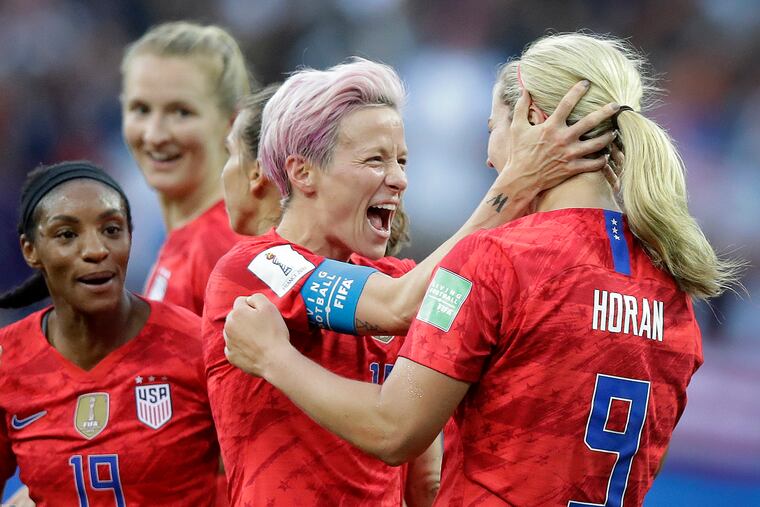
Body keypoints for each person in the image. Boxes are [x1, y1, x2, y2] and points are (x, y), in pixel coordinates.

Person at [222, 33, 743, 506]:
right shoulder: (673, 285)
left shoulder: (494, 259)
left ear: (534, 121)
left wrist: (272, 357)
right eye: (377, 160)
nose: (491, 157)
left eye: (492, 129)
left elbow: (393, 427)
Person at [0, 161, 219, 505]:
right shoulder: (6, 360)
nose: (96, 250)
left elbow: (251, 477)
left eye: (112, 230)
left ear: (131, 235)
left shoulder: (195, 344)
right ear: (30, 250)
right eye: (67, 235)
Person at [121, 21, 251, 315]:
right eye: (141, 109)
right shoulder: (189, 242)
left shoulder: (220, 248)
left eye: (181, 112)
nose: (154, 135)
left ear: (232, 122)